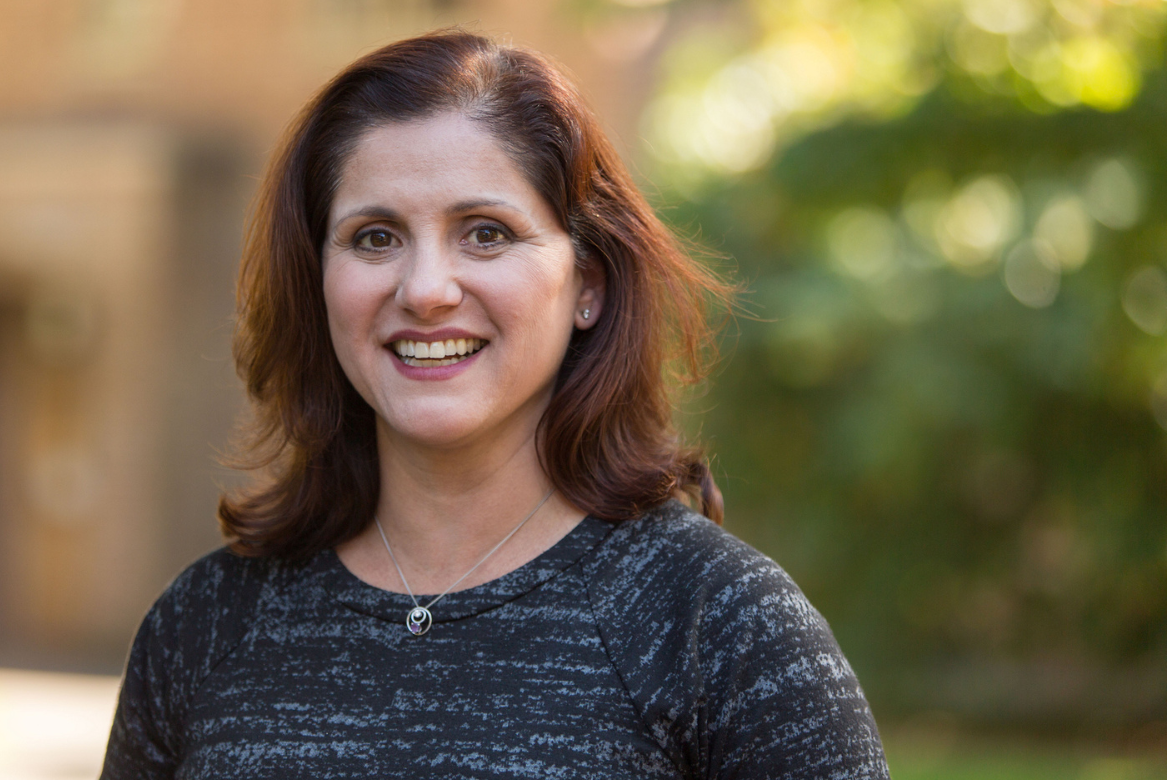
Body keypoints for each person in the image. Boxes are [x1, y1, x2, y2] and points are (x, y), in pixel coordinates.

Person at [101, 29, 889, 779]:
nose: (426, 290)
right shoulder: (203, 627)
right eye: (375, 237)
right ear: (318, 283)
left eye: (485, 233)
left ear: (587, 284)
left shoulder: (720, 627)